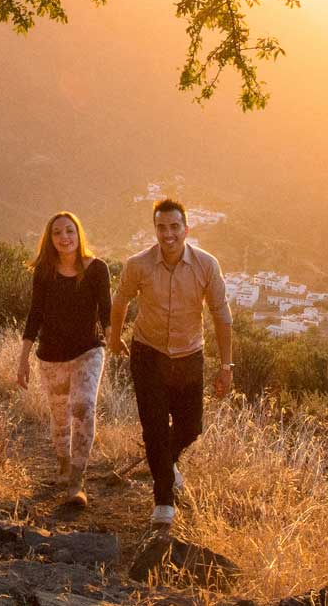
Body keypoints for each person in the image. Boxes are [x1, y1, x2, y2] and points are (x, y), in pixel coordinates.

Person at [107, 197, 233, 529]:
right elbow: (120, 300)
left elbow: (221, 315)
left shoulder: (207, 265)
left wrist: (226, 366)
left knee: (191, 427)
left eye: (174, 227)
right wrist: (114, 335)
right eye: (161, 228)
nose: (168, 234)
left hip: (189, 356)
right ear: (155, 230)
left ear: (186, 229)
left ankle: (166, 462)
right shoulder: (139, 264)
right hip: (148, 354)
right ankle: (163, 501)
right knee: (154, 429)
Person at [17, 210, 112, 506]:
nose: (64, 237)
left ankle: (77, 480)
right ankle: (62, 460)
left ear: (78, 234)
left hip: (88, 351)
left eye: (69, 231)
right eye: (57, 232)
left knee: (83, 407)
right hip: (51, 355)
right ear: (50, 238)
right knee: (60, 418)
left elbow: (107, 310)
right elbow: (35, 314)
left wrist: (114, 337)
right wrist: (23, 358)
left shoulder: (97, 269)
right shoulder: (44, 273)